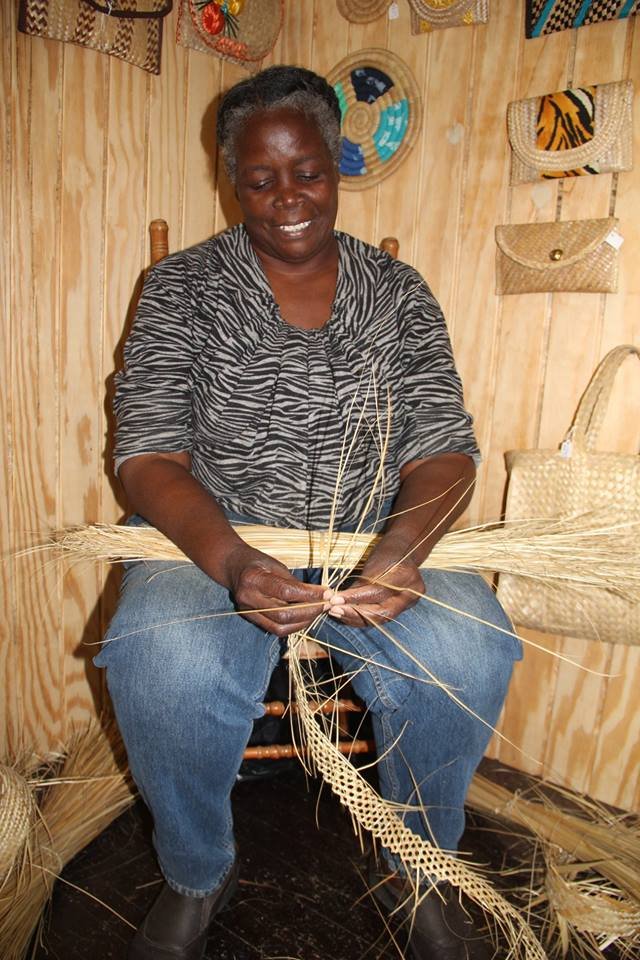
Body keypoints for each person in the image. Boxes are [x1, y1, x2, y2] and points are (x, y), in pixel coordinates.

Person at [96, 65, 520, 960]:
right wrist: (233, 562)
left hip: (375, 541)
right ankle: (197, 873)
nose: (288, 196)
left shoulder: (398, 295)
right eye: (260, 178)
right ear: (231, 181)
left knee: (473, 643)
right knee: (160, 660)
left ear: (336, 164)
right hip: (207, 545)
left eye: (308, 171)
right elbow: (149, 457)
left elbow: (444, 448)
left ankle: (416, 867)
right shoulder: (181, 289)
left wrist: (402, 548)